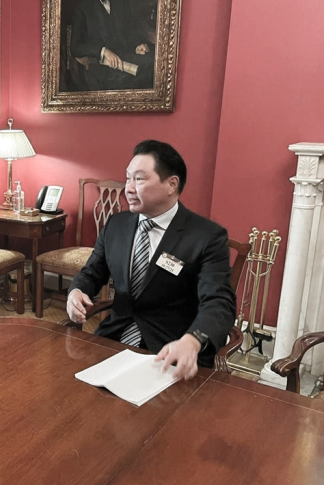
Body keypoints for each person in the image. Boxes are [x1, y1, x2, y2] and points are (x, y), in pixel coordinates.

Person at [66, 140, 236, 380]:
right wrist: (76, 291)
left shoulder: (206, 236)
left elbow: (219, 301)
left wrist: (193, 340)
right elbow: (92, 273)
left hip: (171, 351)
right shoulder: (116, 225)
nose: (129, 189)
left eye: (139, 179)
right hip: (113, 340)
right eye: (128, 179)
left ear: (171, 184)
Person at [69, 0, 154, 90]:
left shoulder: (122, 0)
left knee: (152, 67)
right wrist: (103, 51)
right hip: (102, 66)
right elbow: (75, 47)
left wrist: (137, 46)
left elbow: (130, 31)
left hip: (127, 57)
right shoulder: (82, 8)